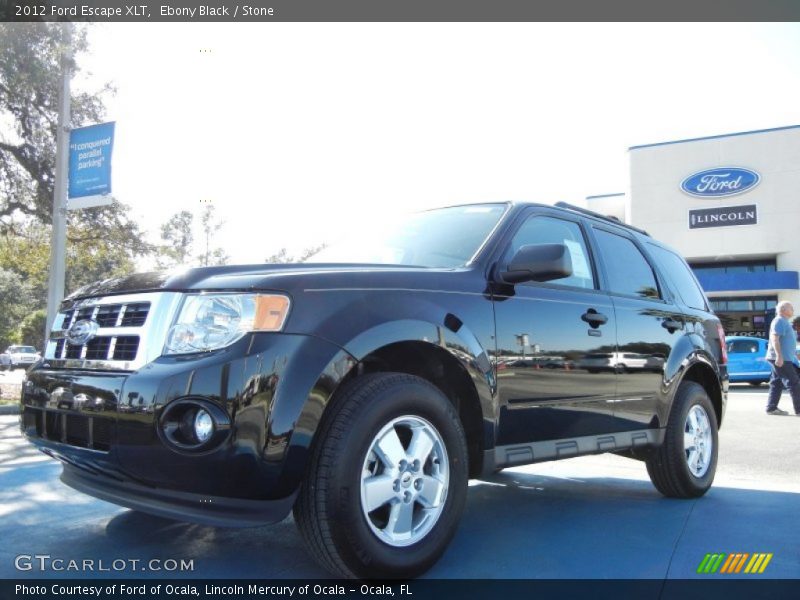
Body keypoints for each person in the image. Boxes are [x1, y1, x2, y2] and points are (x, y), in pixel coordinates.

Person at [764, 301, 800, 415]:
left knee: (777, 383)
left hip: (784, 358)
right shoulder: (779, 320)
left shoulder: (784, 321)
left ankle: (771, 408)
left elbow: (787, 342)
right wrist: (779, 356)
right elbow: (775, 338)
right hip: (781, 358)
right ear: (783, 309)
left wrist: (795, 355)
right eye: (791, 308)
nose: (793, 310)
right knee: (794, 382)